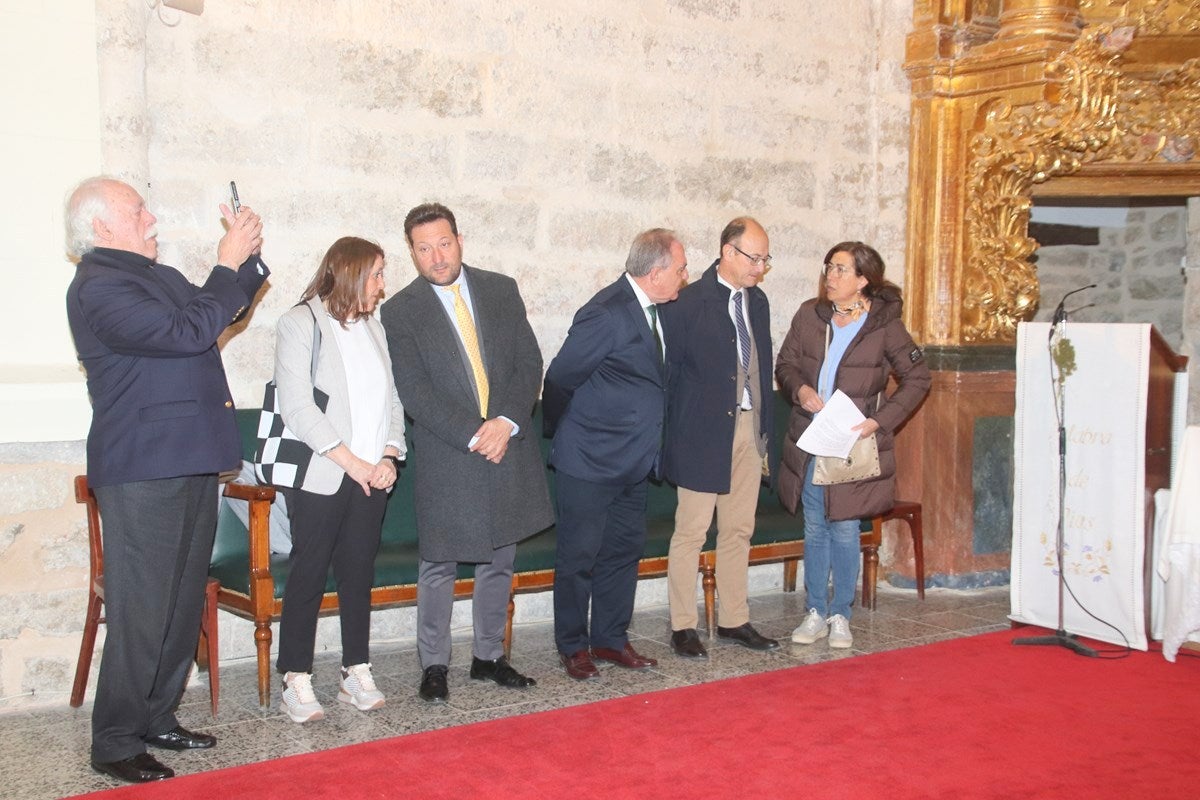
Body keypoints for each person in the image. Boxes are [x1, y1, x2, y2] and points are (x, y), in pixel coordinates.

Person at [64, 176, 266, 783]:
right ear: (101, 226)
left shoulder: (156, 276)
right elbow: (187, 332)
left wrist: (245, 254)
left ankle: (157, 716)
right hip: (144, 465)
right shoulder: (99, 286)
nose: (152, 219)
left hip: (191, 456)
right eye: (138, 210)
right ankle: (116, 740)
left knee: (179, 602)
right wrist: (225, 265)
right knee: (143, 606)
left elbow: (217, 310)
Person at [381, 203, 552, 702]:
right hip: (449, 452)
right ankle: (434, 664)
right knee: (438, 564)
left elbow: (529, 361)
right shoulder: (401, 311)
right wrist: (477, 433)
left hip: (507, 444)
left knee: (501, 557)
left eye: (444, 243)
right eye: (424, 248)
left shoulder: (501, 289)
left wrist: (507, 422)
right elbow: (414, 391)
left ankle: (489, 656)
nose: (436, 256)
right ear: (411, 252)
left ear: (460, 239)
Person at [544, 228, 688, 679]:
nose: (686, 276)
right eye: (681, 269)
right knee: (578, 557)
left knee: (623, 552)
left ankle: (609, 638)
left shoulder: (660, 309)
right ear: (657, 272)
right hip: (589, 461)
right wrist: (565, 433)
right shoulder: (606, 313)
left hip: (635, 461)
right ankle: (573, 645)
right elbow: (560, 377)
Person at [272, 236, 406, 722]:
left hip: (372, 473)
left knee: (357, 573)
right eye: (376, 275)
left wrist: (390, 454)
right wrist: (353, 462)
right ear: (349, 273)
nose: (382, 286)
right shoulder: (299, 323)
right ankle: (296, 677)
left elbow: (392, 399)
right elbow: (298, 407)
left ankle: (355, 670)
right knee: (309, 572)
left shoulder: (374, 329)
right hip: (324, 473)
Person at [775, 241, 930, 649]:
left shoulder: (884, 326)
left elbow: (918, 379)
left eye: (842, 269)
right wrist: (802, 389)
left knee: (844, 527)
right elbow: (785, 364)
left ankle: (841, 613)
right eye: (829, 267)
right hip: (811, 438)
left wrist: (879, 422)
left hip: (852, 443)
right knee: (814, 525)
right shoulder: (811, 315)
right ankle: (815, 612)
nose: (832, 275)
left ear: (863, 280)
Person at [660, 217, 779, 658]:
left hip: (749, 428)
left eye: (766, 259)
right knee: (691, 531)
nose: (761, 268)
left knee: (738, 530)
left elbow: (760, 367)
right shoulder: (687, 302)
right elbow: (669, 377)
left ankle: (734, 618)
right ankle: (682, 625)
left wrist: (764, 430)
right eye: (755, 258)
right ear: (728, 252)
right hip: (701, 434)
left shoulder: (759, 302)